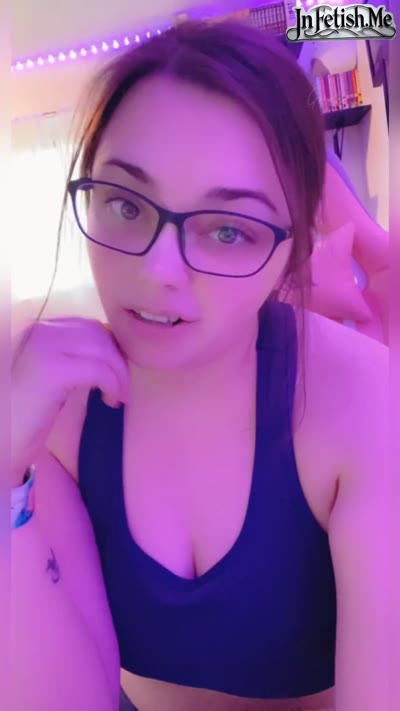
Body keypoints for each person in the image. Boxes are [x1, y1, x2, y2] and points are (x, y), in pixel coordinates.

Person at [11, 19, 389, 711]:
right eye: (125, 204)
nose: (158, 269)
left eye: (227, 229)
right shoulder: (55, 409)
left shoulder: (361, 400)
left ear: (294, 250)